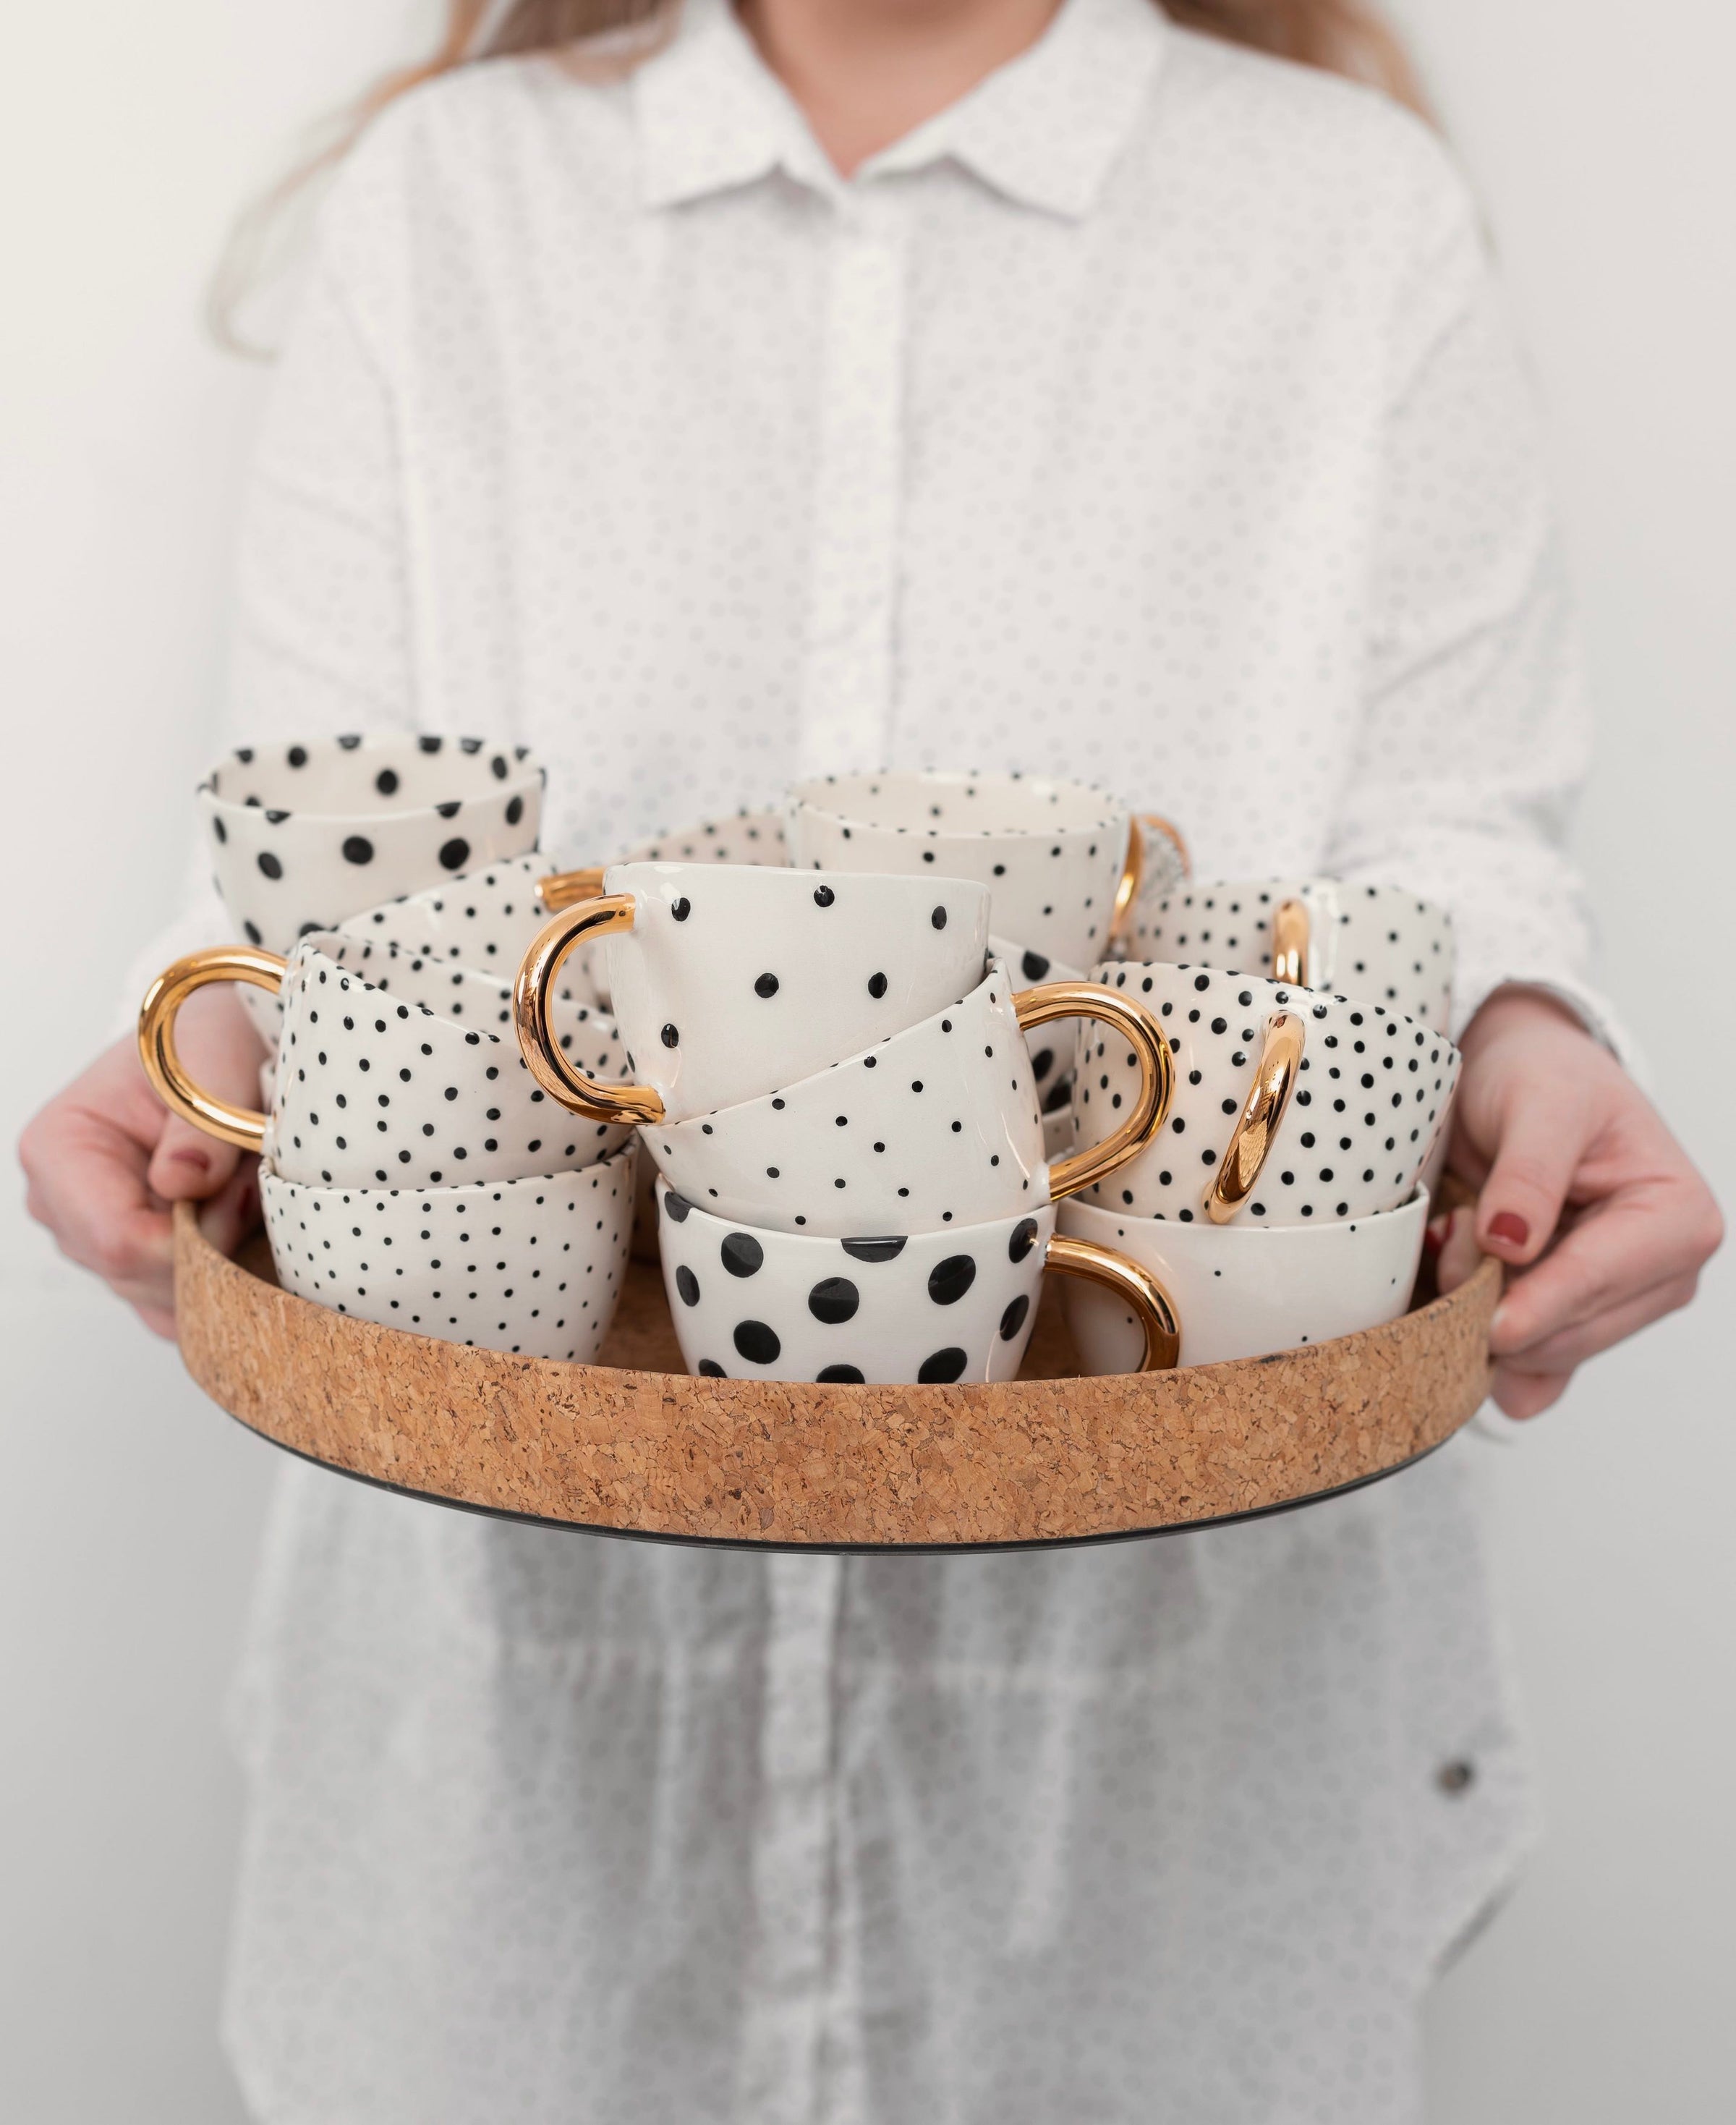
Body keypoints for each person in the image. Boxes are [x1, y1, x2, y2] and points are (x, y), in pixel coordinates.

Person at [18, 0, 1722, 2117]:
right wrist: (204, 1044)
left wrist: (1527, 1039)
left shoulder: (1346, 213)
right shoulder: (453, 201)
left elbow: (1450, 857)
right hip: (518, 1798)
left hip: (1170, 1794)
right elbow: (335, 867)